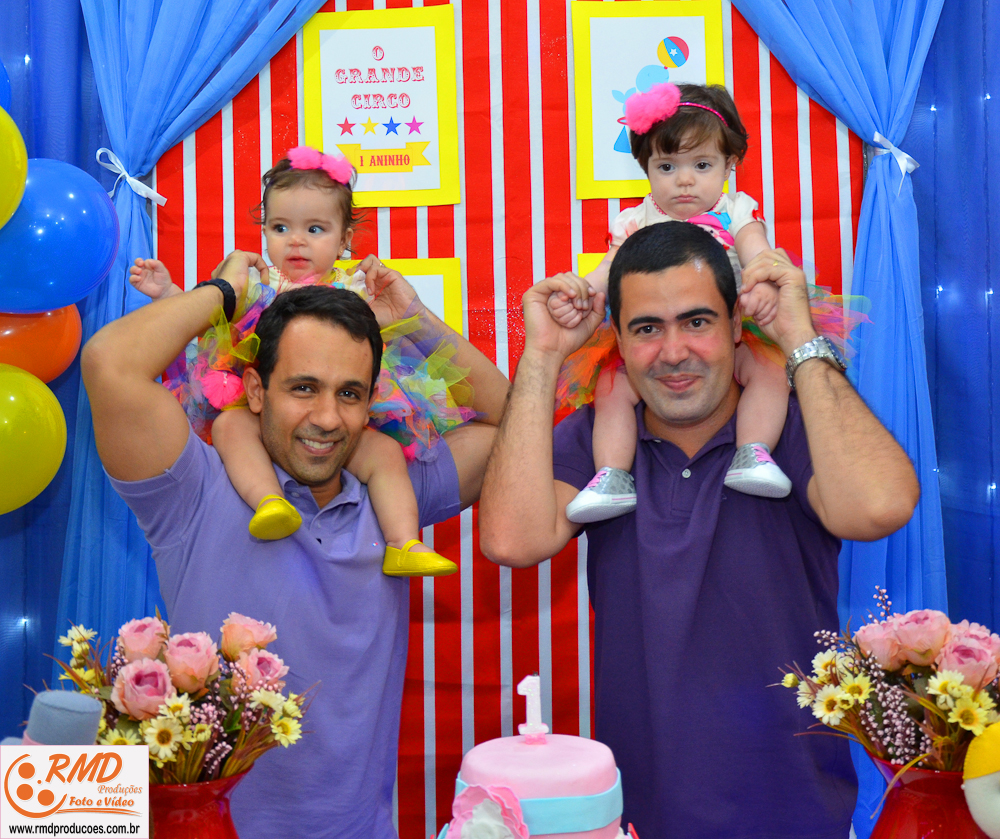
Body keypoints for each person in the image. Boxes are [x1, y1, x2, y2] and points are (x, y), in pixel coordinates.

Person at [478, 221, 920, 838]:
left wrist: (798, 336)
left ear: (737, 325)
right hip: (642, 818)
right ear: (618, 340)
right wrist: (543, 354)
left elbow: (880, 507)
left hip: (796, 815)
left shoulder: (793, 429)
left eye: (697, 321)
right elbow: (510, 539)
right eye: (646, 329)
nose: (673, 351)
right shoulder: (601, 440)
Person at [81, 251, 509, 838]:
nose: (327, 418)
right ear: (256, 390)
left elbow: (510, 423)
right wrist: (223, 294)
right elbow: (109, 363)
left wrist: (414, 319)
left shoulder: (394, 500)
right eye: (303, 388)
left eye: (350, 394)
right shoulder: (194, 490)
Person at [130, 146, 463, 577]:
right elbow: (207, 324)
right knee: (230, 428)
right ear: (264, 230)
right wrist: (168, 294)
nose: (296, 240)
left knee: (383, 454)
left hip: (338, 421)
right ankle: (269, 501)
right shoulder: (255, 285)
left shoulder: (356, 291)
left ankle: (402, 542)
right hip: (258, 408)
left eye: (315, 228)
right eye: (280, 227)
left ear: (344, 239)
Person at [550, 83, 856, 523]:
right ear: (645, 168)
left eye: (702, 164)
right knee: (612, 389)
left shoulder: (736, 211)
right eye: (667, 166)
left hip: (736, 325)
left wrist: (764, 280)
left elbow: (758, 253)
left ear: (729, 165)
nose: (684, 180)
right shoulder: (636, 219)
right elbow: (606, 272)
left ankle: (753, 452)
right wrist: (580, 292)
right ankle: (612, 475)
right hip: (660, 329)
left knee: (770, 371)